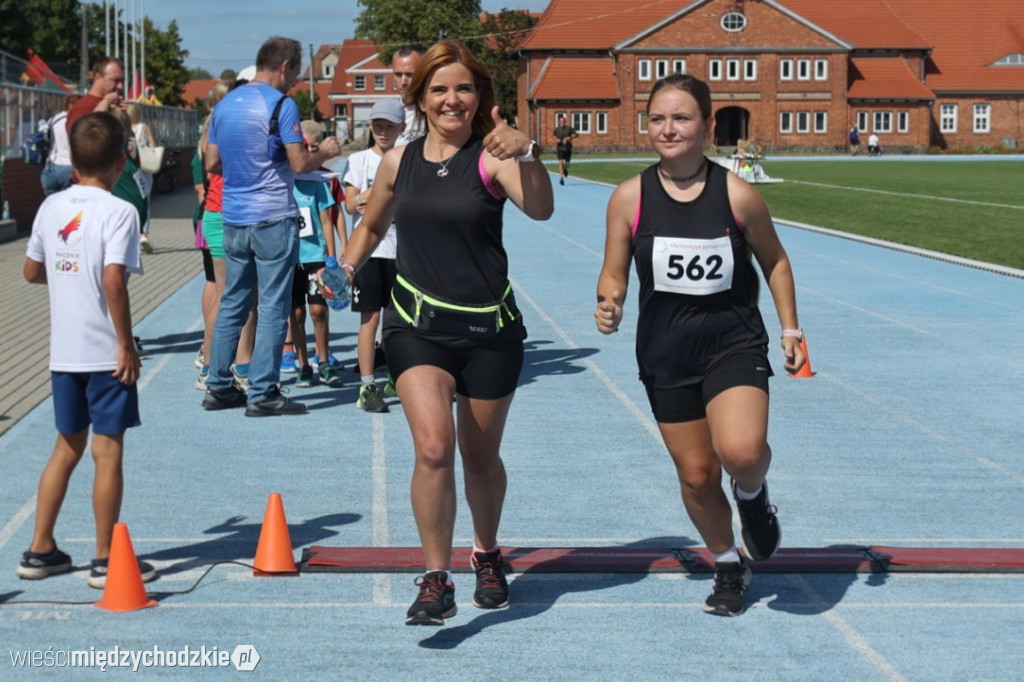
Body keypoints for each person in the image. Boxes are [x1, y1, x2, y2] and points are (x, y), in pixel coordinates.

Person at [342, 39, 554, 626]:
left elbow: (541, 210)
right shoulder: (398, 160)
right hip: (416, 326)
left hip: (489, 331)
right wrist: (344, 265)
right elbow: (372, 222)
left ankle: (486, 554)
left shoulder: (495, 156)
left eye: (463, 88)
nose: (451, 99)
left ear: (479, 96)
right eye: (439, 89)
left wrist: (528, 151)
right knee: (433, 448)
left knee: (479, 456)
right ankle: (436, 578)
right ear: (421, 98)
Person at [595, 73, 804, 617]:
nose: (669, 129)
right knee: (696, 476)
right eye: (658, 118)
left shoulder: (736, 194)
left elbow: (775, 261)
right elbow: (613, 272)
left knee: (741, 452)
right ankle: (728, 564)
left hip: (732, 344)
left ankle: (754, 496)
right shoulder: (629, 198)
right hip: (665, 354)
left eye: (681, 118)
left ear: (707, 126)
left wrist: (790, 329)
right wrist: (609, 302)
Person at [17, 111, 155, 589]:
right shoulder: (120, 211)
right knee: (108, 452)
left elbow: (31, 273)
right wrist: (126, 344)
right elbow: (113, 279)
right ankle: (103, 558)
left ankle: (39, 548)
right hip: (104, 355)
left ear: (72, 161)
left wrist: (62, 267)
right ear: (121, 161)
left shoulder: (51, 207)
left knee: (65, 449)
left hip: (63, 354)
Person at [201, 37, 341, 417]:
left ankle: (218, 386)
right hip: (273, 215)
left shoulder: (226, 102)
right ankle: (263, 392)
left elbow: (212, 162)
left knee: (234, 299)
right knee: (275, 304)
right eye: (295, 73)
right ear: (284, 67)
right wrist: (324, 153)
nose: (295, 81)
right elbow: (298, 165)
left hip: (234, 216)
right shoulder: (282, 104)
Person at [341, 98, 406, 413]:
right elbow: (351, 205)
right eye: (378, 125)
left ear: (400, 129)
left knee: (398, 321)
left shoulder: (408, 159)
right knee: (371, 318)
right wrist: (380, 192)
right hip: (368, 251)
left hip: (400, 249)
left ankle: (397, 378)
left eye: (389, 126)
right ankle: (367, 385)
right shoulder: (359, 160)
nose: (382, 131)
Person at [195, 79, 256, 393]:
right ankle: (241, 369)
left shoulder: (212, 129)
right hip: (235, 214)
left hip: (215, 213)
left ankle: (210, 367)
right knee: (246, 297)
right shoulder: (235, 128)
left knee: (224, 295)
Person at [289, 119, 340, 388]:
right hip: (289, 258)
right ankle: (303, 364)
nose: (309, 153)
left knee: (318, 310)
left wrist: (330, 257)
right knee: (295, 314)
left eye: (314, 148)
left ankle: (324, 361)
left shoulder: (318, 182)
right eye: (304, 147)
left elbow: (327, 219)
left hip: (314, 257)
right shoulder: (284, 179)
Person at [67, 57, 126, 134]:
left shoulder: (113, 106)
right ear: (98, 77)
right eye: (115, 80)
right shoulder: (83, 108)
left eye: (122, 81)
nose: (120, 86)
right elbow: (80, 142)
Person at [127, 103, 157, 253]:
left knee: (129, 201)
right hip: (145, 169)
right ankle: (143, 235)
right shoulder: (144, 127)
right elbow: (153, 146)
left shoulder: (123, 128)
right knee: (145, 201)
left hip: (129, 169)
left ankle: (130, 236)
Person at [40, 94, 79, 195]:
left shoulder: (54, 119)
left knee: (51, 204)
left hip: (51, 167)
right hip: (70, 167)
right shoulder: (77, 121)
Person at [391, 44, 426, 146]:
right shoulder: (388, 113)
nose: (403, 81)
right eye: (398, 74)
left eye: (410, 75)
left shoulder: (437, 111)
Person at [553, 113, 578, 185]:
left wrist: (571, 137)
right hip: (560, 148)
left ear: (565, 122)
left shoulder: (569, 128)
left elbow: (576, 134)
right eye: (560, 121)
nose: (562, 122)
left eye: (563, 121)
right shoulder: (557, 129)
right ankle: (561, 178)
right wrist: (556, 139)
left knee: (567, 164)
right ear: (559, 122)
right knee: (561, 163)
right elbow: (554, 135)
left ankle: (565, 169)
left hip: (568, 148)